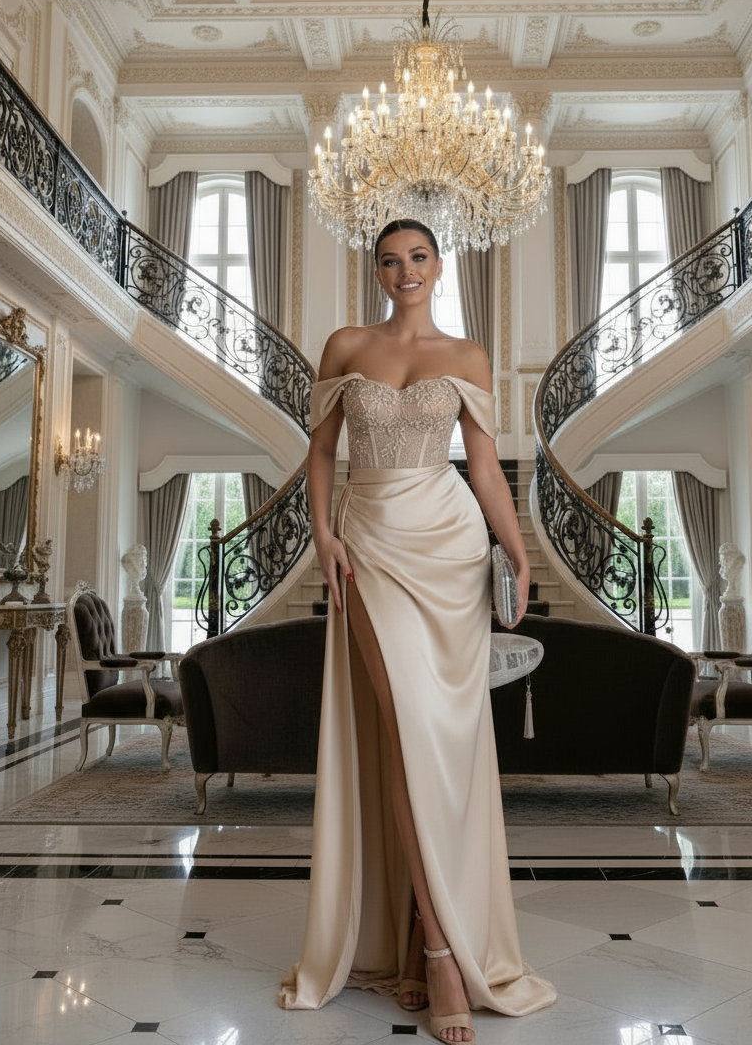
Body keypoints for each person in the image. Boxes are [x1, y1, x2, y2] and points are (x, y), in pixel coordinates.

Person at [279, 219, 556, 1043]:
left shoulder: (467, 358)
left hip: (448, 548)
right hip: (367, 546)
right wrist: (322, 535)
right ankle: (437, 949)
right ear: (376, 271)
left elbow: (482, 468)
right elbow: (320, 452)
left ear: (440, 266)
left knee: (442, 743)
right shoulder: (344, 345)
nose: (406, 271)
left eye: (419, 258)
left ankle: (412, 934)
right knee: (399, 732)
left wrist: (516, 550)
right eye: (391, 261)